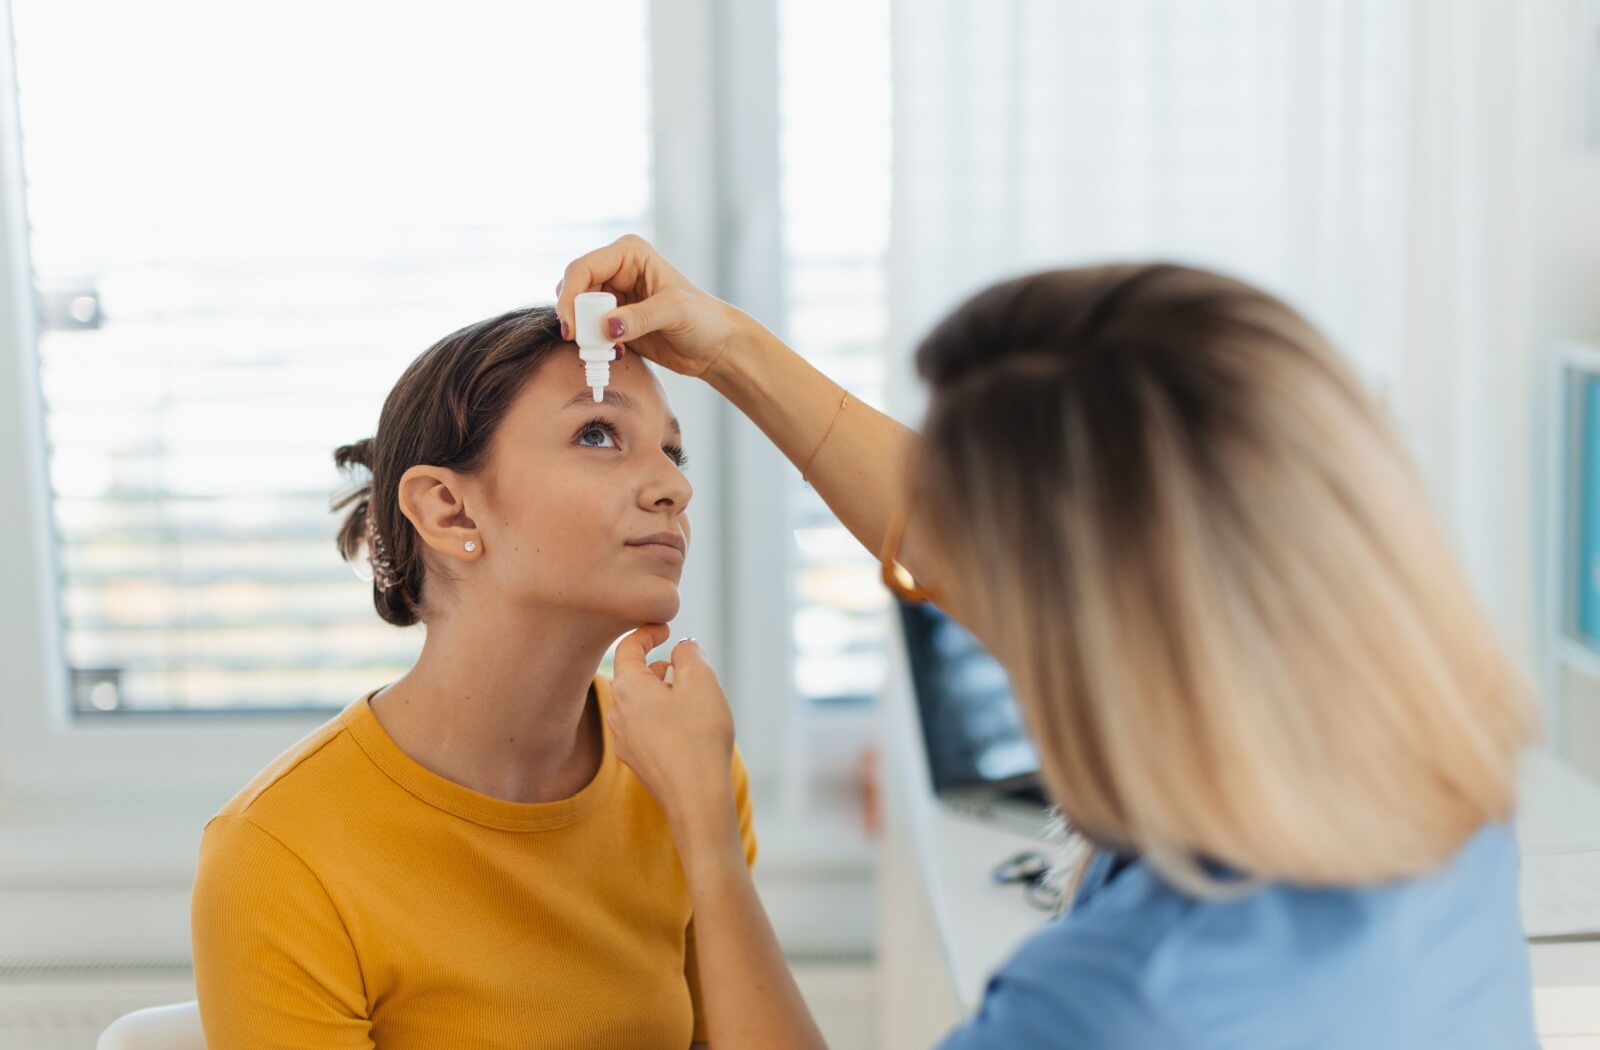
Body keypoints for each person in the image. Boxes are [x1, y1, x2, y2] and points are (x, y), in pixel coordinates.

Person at [556, 237, 1541, 1049]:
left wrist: (706, 840)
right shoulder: (1435, 805)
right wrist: (728, 347)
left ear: (1080, 619)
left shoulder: (1115, 1008)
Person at [190, 305, 755, 1049]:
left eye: (672, 454)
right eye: (597, 433)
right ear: (449, 508)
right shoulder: (277, 855)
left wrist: (705, 823)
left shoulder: (687, 766)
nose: (671, 489)